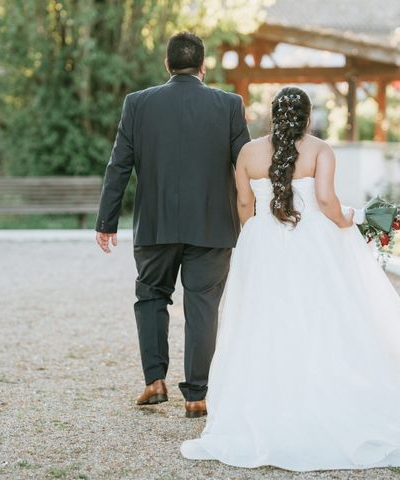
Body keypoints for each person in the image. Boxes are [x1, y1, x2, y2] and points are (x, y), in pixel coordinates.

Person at [180, 86, 400, 471]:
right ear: (307, 116)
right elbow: (327, 202)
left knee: (260, 323)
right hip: (311, 244)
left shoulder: (247, 153)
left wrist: (259, 235)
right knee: (322, 320)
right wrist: (354, 218)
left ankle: (264, 409)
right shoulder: (319, 150)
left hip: (261, 244)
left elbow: (245, 205)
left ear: (272, 115)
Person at [95, 32, 250, 418]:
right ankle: (197, 395)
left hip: (156, 224)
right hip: (214, 227)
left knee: (150, 298)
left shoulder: (138, 104)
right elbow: (245, 165)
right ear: (203, 66)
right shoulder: (229, 105)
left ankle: (154, 382)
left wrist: (106, 221)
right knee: (203, 306)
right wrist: (256, 216)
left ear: (167, 65)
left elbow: (119, 166)